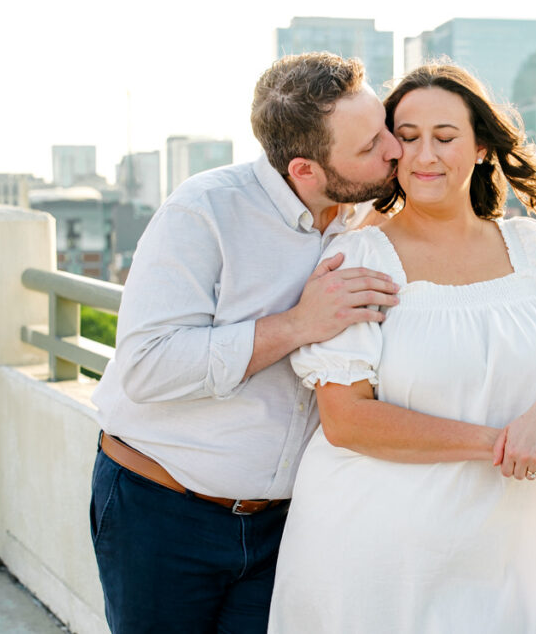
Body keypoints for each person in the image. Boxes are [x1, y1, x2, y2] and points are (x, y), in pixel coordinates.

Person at [268, 63, 536, 634]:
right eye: (406, 138)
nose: (424, 156)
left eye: (445, 137)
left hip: (509, 549)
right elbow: (346, 419)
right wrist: (500, 444)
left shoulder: (534, 250)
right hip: (379, 553)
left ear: (482, 147)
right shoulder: (362, 260)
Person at [88, 52, 408, 634]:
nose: (393, 149)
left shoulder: (370, 213)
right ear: (305, 169)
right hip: (161, 515)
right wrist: (298, 323)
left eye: (384, 127)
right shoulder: (202, 210)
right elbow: (147, 366)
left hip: (287, 526)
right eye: (369, 147)